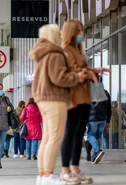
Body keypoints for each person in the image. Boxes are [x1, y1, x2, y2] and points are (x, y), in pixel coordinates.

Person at [29, 24, 86, 185]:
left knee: (47, 138)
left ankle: (42, 175)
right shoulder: (54, 54)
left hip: (44, 99)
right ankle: (48, 175)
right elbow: (59, 78)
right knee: (55, 137)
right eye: (58, 34)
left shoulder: (42, 53)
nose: (61, 36)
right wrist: (77, 77)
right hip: (55, 99)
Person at [60, 19, 110, 184]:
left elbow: (81, 70)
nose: (82, 34)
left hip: (85, 98)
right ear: (71, 32)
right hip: (73, 99)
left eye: (82, 30)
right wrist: (84, 74)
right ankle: (65, 170)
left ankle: (75, 169)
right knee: (70, 134)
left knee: (78, 135)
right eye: (79, 31)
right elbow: (63, 76)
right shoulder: (65, 51)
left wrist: (94, 70)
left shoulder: (78, 50)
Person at [87, 75, 111, 164]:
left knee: (90, 135)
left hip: (92, 119)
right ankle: (94, 157)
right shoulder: (105, 92)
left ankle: (97, 150)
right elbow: (109, 108)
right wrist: (108, 120)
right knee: (98, 136)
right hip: (103, 119)